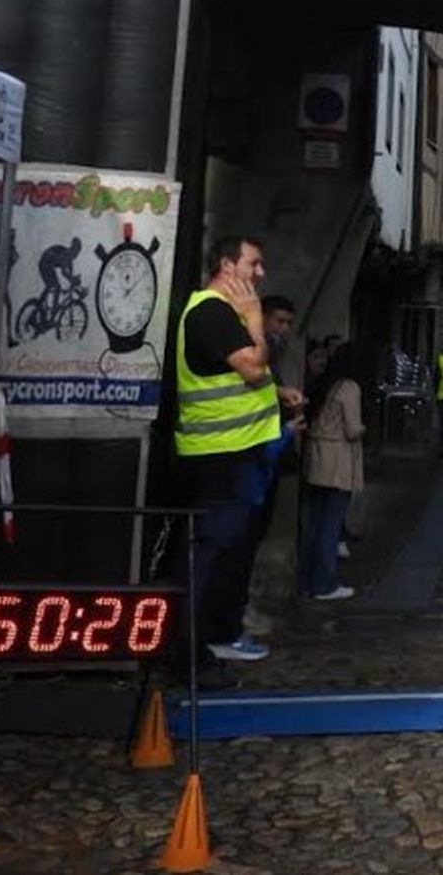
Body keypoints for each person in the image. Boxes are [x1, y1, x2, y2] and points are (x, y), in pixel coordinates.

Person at [175, 236, 296, 670]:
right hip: (220, 456)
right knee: (215, 554)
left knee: (228, 550)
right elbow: (252, 366)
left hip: (233, 455)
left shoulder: (215, 313)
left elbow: (240, 375)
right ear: (228, 266)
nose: (260, 273)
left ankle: (210, 638)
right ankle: (195, 648)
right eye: (254, 264)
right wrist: (253, 318)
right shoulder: (214, 311)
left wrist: (277, 393)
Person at [239, 295, 302, 638]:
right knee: (240, 542)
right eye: (278, 321)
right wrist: (286, 431)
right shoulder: (248, 357)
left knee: (252, 539)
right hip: (250, 467)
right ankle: (234, 618)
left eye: (289, 324)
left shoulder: (269, 364)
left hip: (265, 468)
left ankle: (241, 611)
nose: (284, 330)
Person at [298, 342, 365, 601]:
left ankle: (307, 581)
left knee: (314, 524)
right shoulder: (349, 388)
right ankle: (325, 583)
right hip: (337, 462)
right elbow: (352, 428)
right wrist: (363, 428)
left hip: (316, 460)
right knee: (330, 525)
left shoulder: (325, 384)